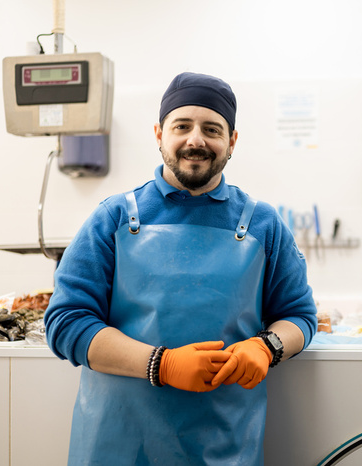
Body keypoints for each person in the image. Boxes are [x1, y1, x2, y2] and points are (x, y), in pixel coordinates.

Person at [44, 72, 318, 465]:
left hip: (224, 444)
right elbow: (66, 321)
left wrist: (266, 346)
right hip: (118, 444)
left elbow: (299, 316)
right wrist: (162, 364)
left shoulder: (263, 224)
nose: (196, 140)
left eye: (212, 128)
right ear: (159, 134)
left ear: (232, 141)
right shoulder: (114, 217)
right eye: (182, 126)